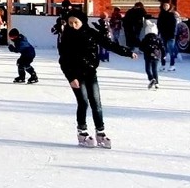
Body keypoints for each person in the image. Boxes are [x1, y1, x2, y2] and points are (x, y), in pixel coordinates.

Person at [58, 9, 137, 148]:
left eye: (75, 22)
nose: (73, 25)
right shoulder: (66, 37)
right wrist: (71, 77)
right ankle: (82, 132)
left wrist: (127, 52)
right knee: (83, 103)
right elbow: (63, 60)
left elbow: (110, 45)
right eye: (70, 23)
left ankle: (100, 133)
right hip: (75, 75)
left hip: (90, 73)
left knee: (96, 104)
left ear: (82, 21)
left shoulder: (91, 34)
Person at [139, 20, 166, 89]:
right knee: (154, 69)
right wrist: (163, 56)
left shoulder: (145, 39)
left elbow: (141, 47)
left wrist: (144, 49)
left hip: (148, 56)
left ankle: (151, 79)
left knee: (148, 69)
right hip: (156, 55)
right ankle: (157, 83)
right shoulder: (158, 39)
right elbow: (162, 48)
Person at [156, 2, 178, 71]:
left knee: (171, 50)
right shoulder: (161, 14)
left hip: (171, 35)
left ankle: (172, 65)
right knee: (163, 50)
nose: (165, 7)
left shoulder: (172, 14)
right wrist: (159, 32)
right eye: (164, 6)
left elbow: (174, 25)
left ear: (170, 7)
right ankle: (163, 65)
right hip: (163, 34)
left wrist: (173, 34)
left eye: (167, 6)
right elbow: (159, 24)